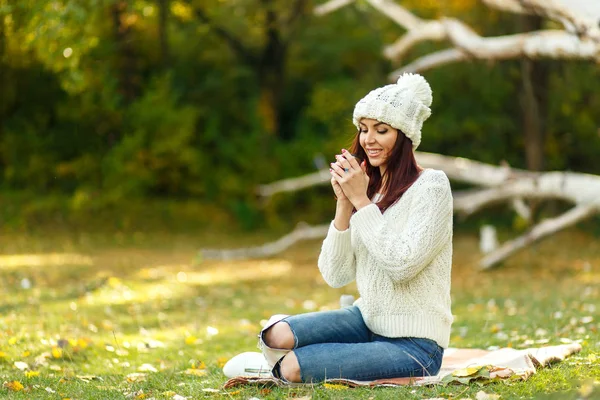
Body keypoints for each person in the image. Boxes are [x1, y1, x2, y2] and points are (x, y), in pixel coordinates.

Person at [248, 73, 453, 383]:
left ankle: (356, 360)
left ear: (405, 136)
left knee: (290, 369)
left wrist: (360, 200)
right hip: (366, 320)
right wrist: (344, 204)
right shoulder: (369, 190)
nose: (368, 139)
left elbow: (402, 265)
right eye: (364, 129)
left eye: (381, 130)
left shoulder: (432, 186)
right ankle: (353, 355)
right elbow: (336, 275)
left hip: (415, 345)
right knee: (275, 335)